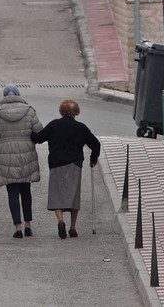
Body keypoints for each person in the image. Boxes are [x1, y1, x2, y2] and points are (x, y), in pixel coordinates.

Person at [32, 98, 101, 239]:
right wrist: (93, 160)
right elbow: (96, 144)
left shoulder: (54, 125)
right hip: (75, 164)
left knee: (57, 192)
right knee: (73, 194)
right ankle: (73, 227)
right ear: (76, 112)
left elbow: (38, 138)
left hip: (56, 163)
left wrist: (28, 130)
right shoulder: (81, 127)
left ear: (61, 111)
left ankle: (60, 220)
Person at [0, 85, 43, 238]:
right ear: (18, 95)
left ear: (4, 96)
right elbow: (39, 131)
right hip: (26, 154)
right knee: (26, 191)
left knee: (12, 192)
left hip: (4, 156)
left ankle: (18, 228)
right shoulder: (29, 111)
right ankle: (28, 225)